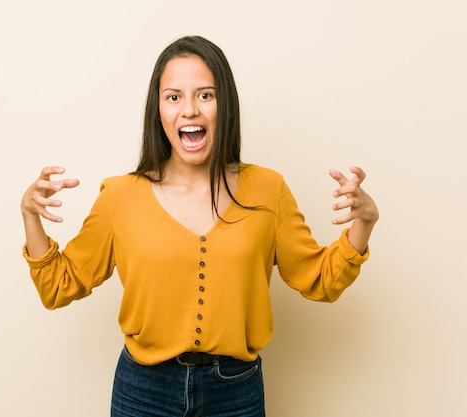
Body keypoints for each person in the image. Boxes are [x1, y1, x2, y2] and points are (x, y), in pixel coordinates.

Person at [21, 35, 379, 417]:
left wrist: (364, 223)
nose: (189, 109)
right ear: (158, 109)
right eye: (173, 97)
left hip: (236, 393)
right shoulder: (119, 196)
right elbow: (58, 288)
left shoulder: (268, 189)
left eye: (205, 95)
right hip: (143, 391)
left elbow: (319, 279)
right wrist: (30, 214)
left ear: (225, 105)